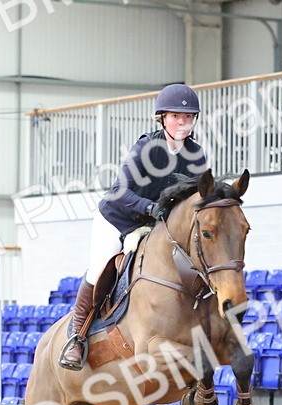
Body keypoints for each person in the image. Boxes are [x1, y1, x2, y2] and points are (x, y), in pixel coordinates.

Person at [59, 83, 210, 370]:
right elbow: (120, 191)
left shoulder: (196, 155)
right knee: (99, 268)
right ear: (162, 118)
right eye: (176, 116)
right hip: (119, 218)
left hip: (155, 226)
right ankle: (77, 336)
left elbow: (196, 198)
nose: (183, 122)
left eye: (188, 117)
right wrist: (150, 208)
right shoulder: (146, 148)